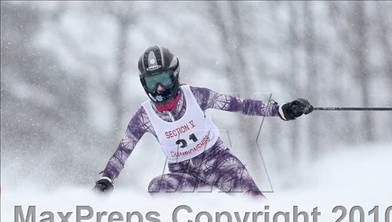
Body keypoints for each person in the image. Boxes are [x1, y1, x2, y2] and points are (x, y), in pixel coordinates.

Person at [94, 45, 313, 197]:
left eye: (162, 79)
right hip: (186, 176)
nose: (159, 89)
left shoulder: (196, 96)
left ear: (174, 76)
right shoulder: (144, 116)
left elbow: (239, 104)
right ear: (144, 84)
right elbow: (124, 149)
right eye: (153, 83)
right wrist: (107, 178)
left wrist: (280, 111)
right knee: (157, 187)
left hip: (219, 163)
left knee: (256, 206)